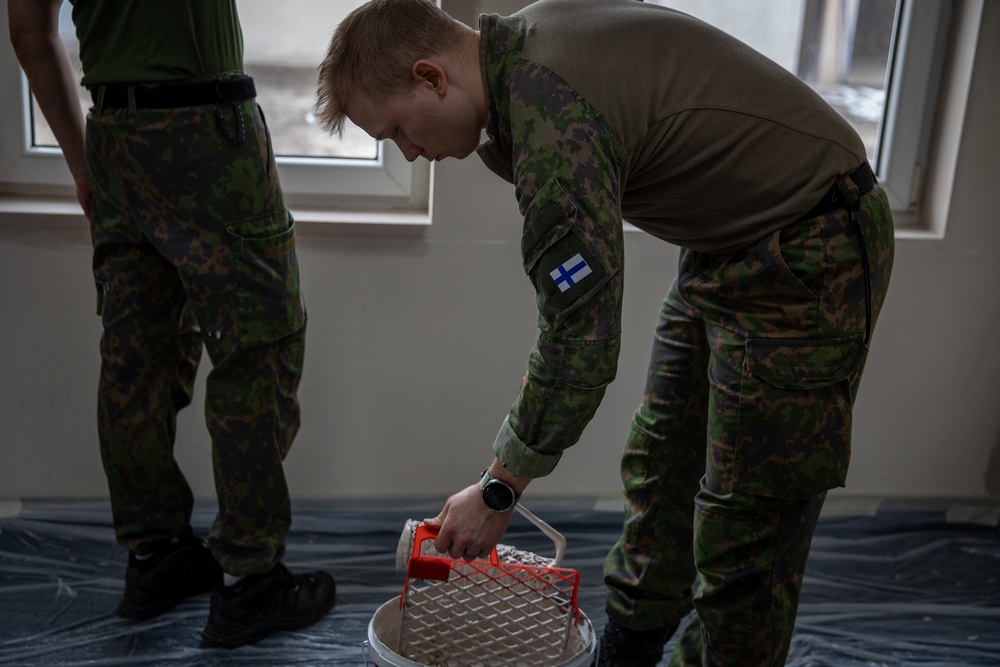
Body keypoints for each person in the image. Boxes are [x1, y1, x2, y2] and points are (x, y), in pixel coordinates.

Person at [316, 0, 894, 665]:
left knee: (748, 525)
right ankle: (625, 653)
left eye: (396, 130)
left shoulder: (551, 114)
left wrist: (499, 488)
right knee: (663, 467)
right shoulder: (519, 58)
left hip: (810, 246)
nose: (409, 151)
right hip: (726, 244)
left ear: (432, 77)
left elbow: (581, 341)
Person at [8, 0, 336, 649]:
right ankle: (249, 580)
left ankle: (155, 555)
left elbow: (29, 32)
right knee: (258, 345)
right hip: (206, 127)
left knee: (137, 350)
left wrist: (83, 164)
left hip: (115, 133)